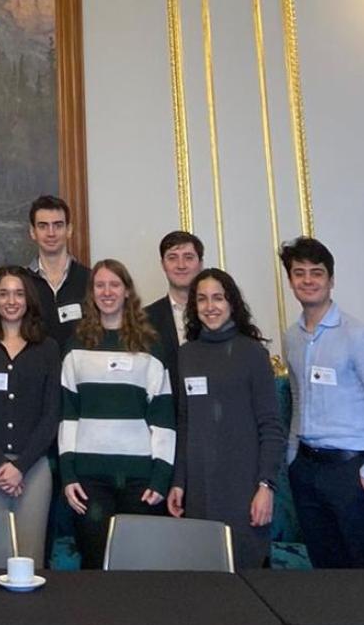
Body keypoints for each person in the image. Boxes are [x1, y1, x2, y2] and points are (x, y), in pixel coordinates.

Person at [281, 235, 364, 569]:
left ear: (331, 280)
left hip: (351, 471)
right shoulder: (291, 338)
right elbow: (297, 398)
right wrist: (293, 457)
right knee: (326, 576)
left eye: (317, 272)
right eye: (299, 272)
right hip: (306, 470)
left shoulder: (358, 336)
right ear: (290, 279)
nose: (308, 280)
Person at [59, 260, 175, 570]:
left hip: (140, 479)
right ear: (91, 293)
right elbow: (68, 415)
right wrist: (68, 473)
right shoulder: (76, 346)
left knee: (137, 567)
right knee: (95, 567)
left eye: (114, 285)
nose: (107, 292)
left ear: (127, 292)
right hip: (89, 478)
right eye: (100, 285)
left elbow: (163, 418)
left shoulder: (150, 346)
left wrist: (162, 476)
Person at [167, 268, 285, 568]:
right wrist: (179, 481)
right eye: (202, 299)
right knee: (206, 582)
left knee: (247, 584)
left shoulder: (253, 353)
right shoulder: (187, 354)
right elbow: (184, 423)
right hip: (199, 489)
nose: (210, 307)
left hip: (244, 488)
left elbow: (271, 426)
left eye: (218, 298)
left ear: (232, 302)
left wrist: (266, 486)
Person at [0, 266, 61, 565]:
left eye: (18, 293)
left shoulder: (47, 348)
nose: (11, 300)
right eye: (4, 293)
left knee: (30, 558)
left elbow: (51, 413)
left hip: (33, 468)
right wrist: (1, 463)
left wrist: (21, 466)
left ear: (28, 299)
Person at [145, 229, 204, 406]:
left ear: (200, 263)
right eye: (172, 258)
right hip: (165, 419)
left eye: (188, 257)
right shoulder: (145, 320)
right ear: (163, 264)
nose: (181, 265)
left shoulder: (217, 314)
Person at [27, 195, 90, 354]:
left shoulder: (90, 280)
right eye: (43, 226)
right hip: (35, 375)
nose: (51, 233)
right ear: (32, 232)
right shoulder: (22, 283)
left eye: (58, 225)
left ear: (69, 230)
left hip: (78, 375)